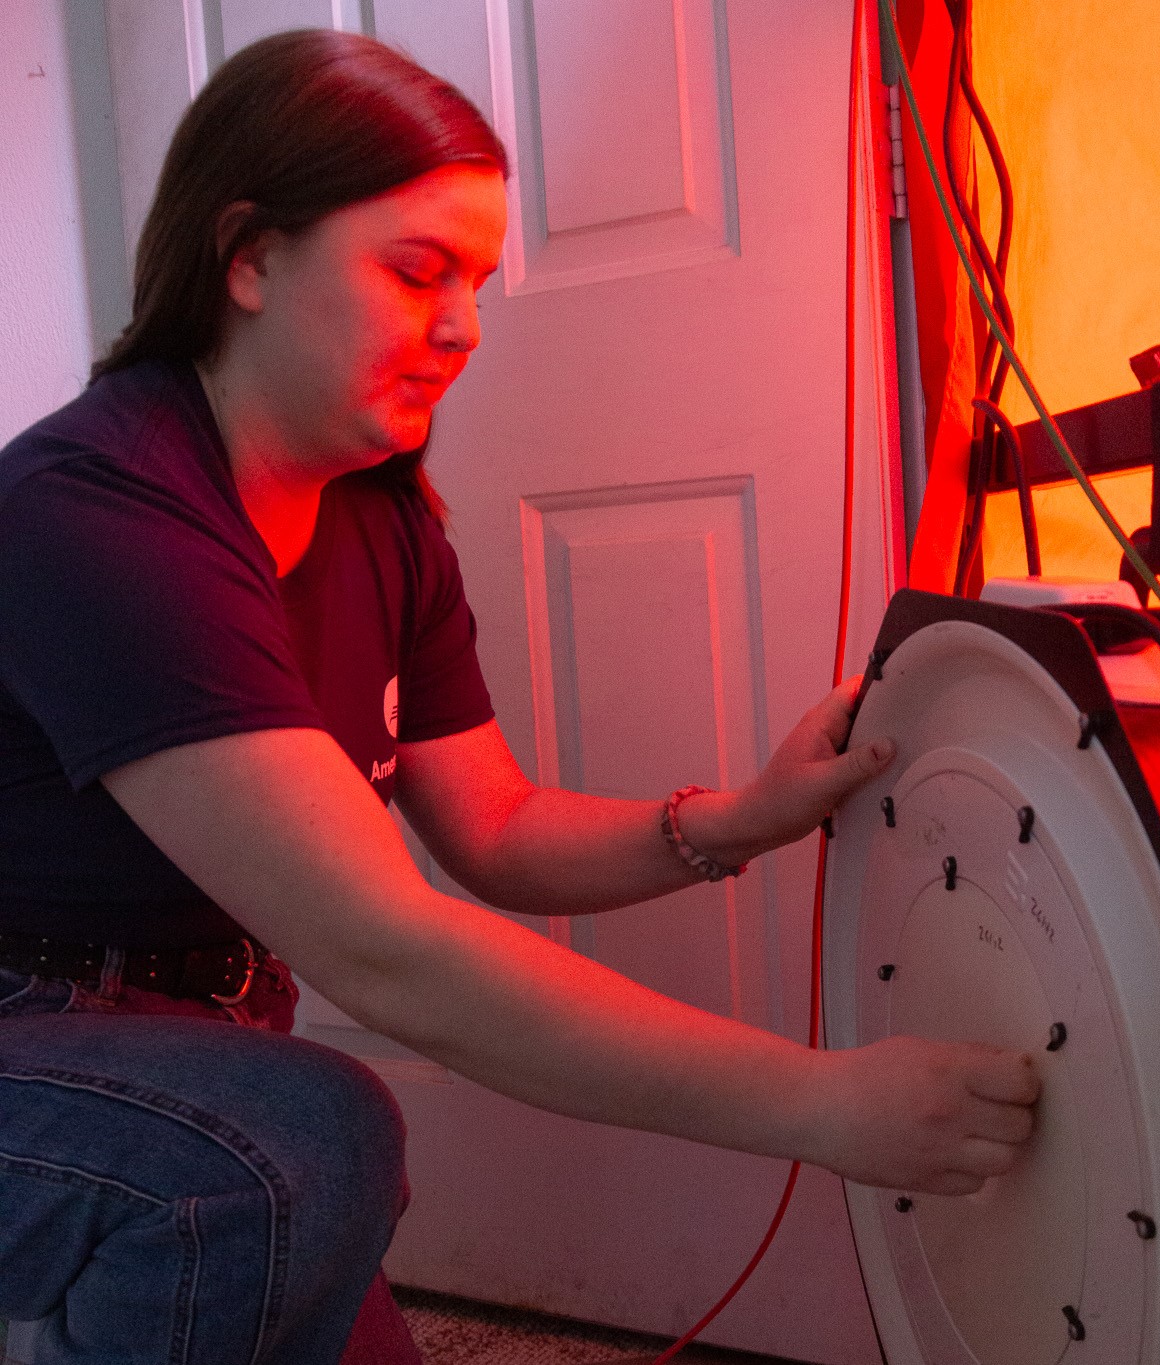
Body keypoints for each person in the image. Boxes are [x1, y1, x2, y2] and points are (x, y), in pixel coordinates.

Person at [0, 29, 1040, 1365]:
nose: (463, 329)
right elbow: (382, 945)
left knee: (287, 1161)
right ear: (249, 256)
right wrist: (823, 1106)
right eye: (415, 269)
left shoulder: (378, 517)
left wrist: (742, 816)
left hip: (201, 1046)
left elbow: (492, 823)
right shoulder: (100, 516)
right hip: (39, 1029)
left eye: (477, 282)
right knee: (290, 1151)